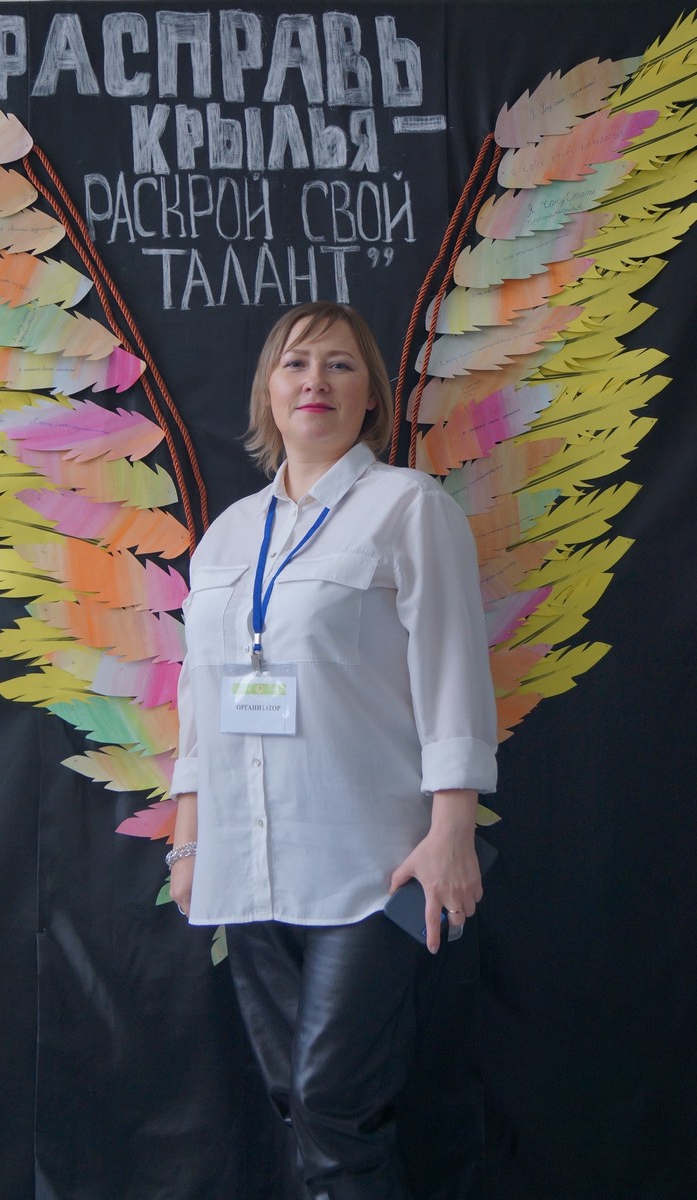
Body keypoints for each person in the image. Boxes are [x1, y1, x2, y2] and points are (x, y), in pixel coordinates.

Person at [168, 302, 497, 1200]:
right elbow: (200, 693)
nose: (315, 380)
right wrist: (190, 839)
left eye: (340, 365)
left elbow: (453, 669)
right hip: (248, 857)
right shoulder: (228, 535)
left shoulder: (408, 508)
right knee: (297, 1102)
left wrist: (453, 831)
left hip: (376, 864)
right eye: (296, 364)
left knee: (333, 1098)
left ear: (371, 398)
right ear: (269, 394)